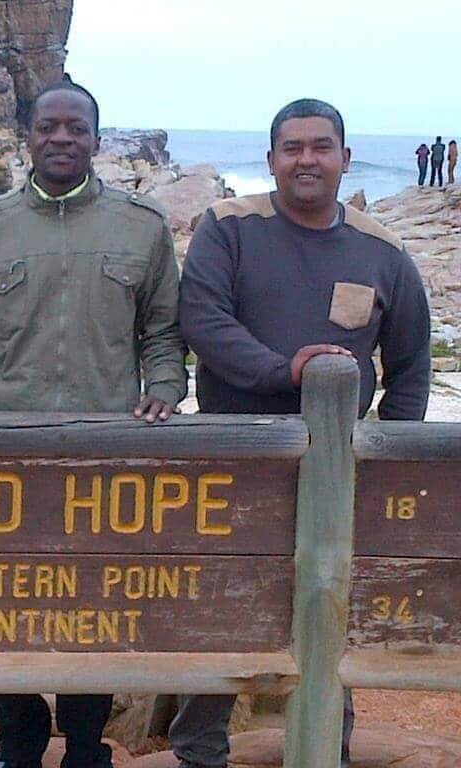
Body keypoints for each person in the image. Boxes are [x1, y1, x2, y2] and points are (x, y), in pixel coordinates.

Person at [0, 80, 188, 768]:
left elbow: (163, 335)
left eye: (77, 128)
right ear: (29, 137)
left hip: (108, 450)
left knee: (96, 599)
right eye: (49, 127)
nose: (62, 138)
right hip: (3, 454)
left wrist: (163, 389)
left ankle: (85, 741)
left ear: (97, 139)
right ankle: (18, 734)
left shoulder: (145, 226)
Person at [176, 98, 430, 768]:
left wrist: (394, 460)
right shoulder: (226, 227)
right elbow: (203, 321)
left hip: (338, 471)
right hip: (234, 461)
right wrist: (284, 371)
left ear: (345, 158)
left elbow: (409, 365)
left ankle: (328, 750)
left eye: (321, 146)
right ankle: (198, 750)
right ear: (271, 161)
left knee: (329, 606)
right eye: (293, 148)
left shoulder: (384, 251)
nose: (307, 159)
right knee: (219, 608)